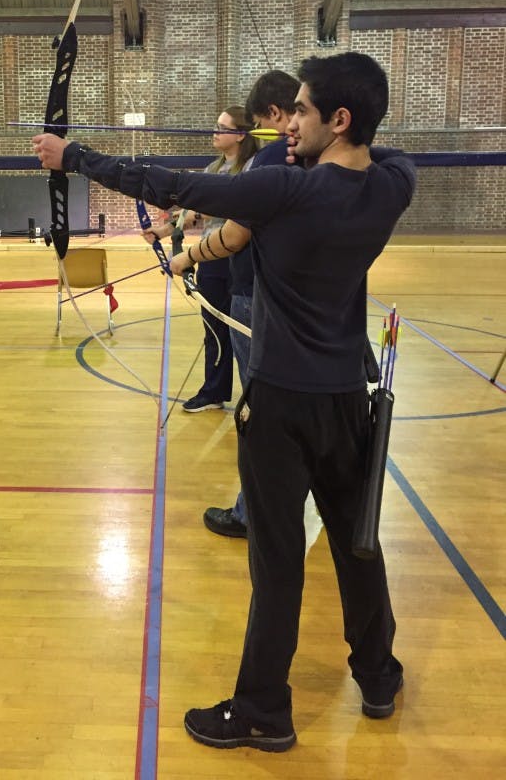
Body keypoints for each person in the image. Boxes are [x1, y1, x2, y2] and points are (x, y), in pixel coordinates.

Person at [33, 51, 415, 753]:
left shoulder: (283, 190)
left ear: (338, 119)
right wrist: (328, 144)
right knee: (355, 545)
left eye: (302, 112)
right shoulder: (393, 185)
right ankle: (379, 675)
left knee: (277, 561)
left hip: (280, 405)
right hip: (345, 404)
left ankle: (263, 709)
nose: (288, 125)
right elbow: (381, 153)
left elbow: (168, 183)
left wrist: (72, 156)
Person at [202, 70, 299, 538]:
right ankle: (316, 504)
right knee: (294, 403)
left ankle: (250, 513)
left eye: (259, 123)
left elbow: (235, 234)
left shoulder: (268, 161)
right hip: (291, 294)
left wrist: (187, 257)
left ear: (273, 115)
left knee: (257, 407)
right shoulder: (316, 158)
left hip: (253, 294)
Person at [142, 105, 258, 412]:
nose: (215, 132)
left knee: (245, 332)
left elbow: (226, 208)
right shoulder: (212, 170)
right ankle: (214, 392)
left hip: (240, 257)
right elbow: (194, 211)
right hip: (211, 256)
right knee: (214, 329)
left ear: (241, 135)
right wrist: (164, 231)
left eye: (222, 128)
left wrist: (207, 208)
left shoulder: (253, 167)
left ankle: (256, 399)